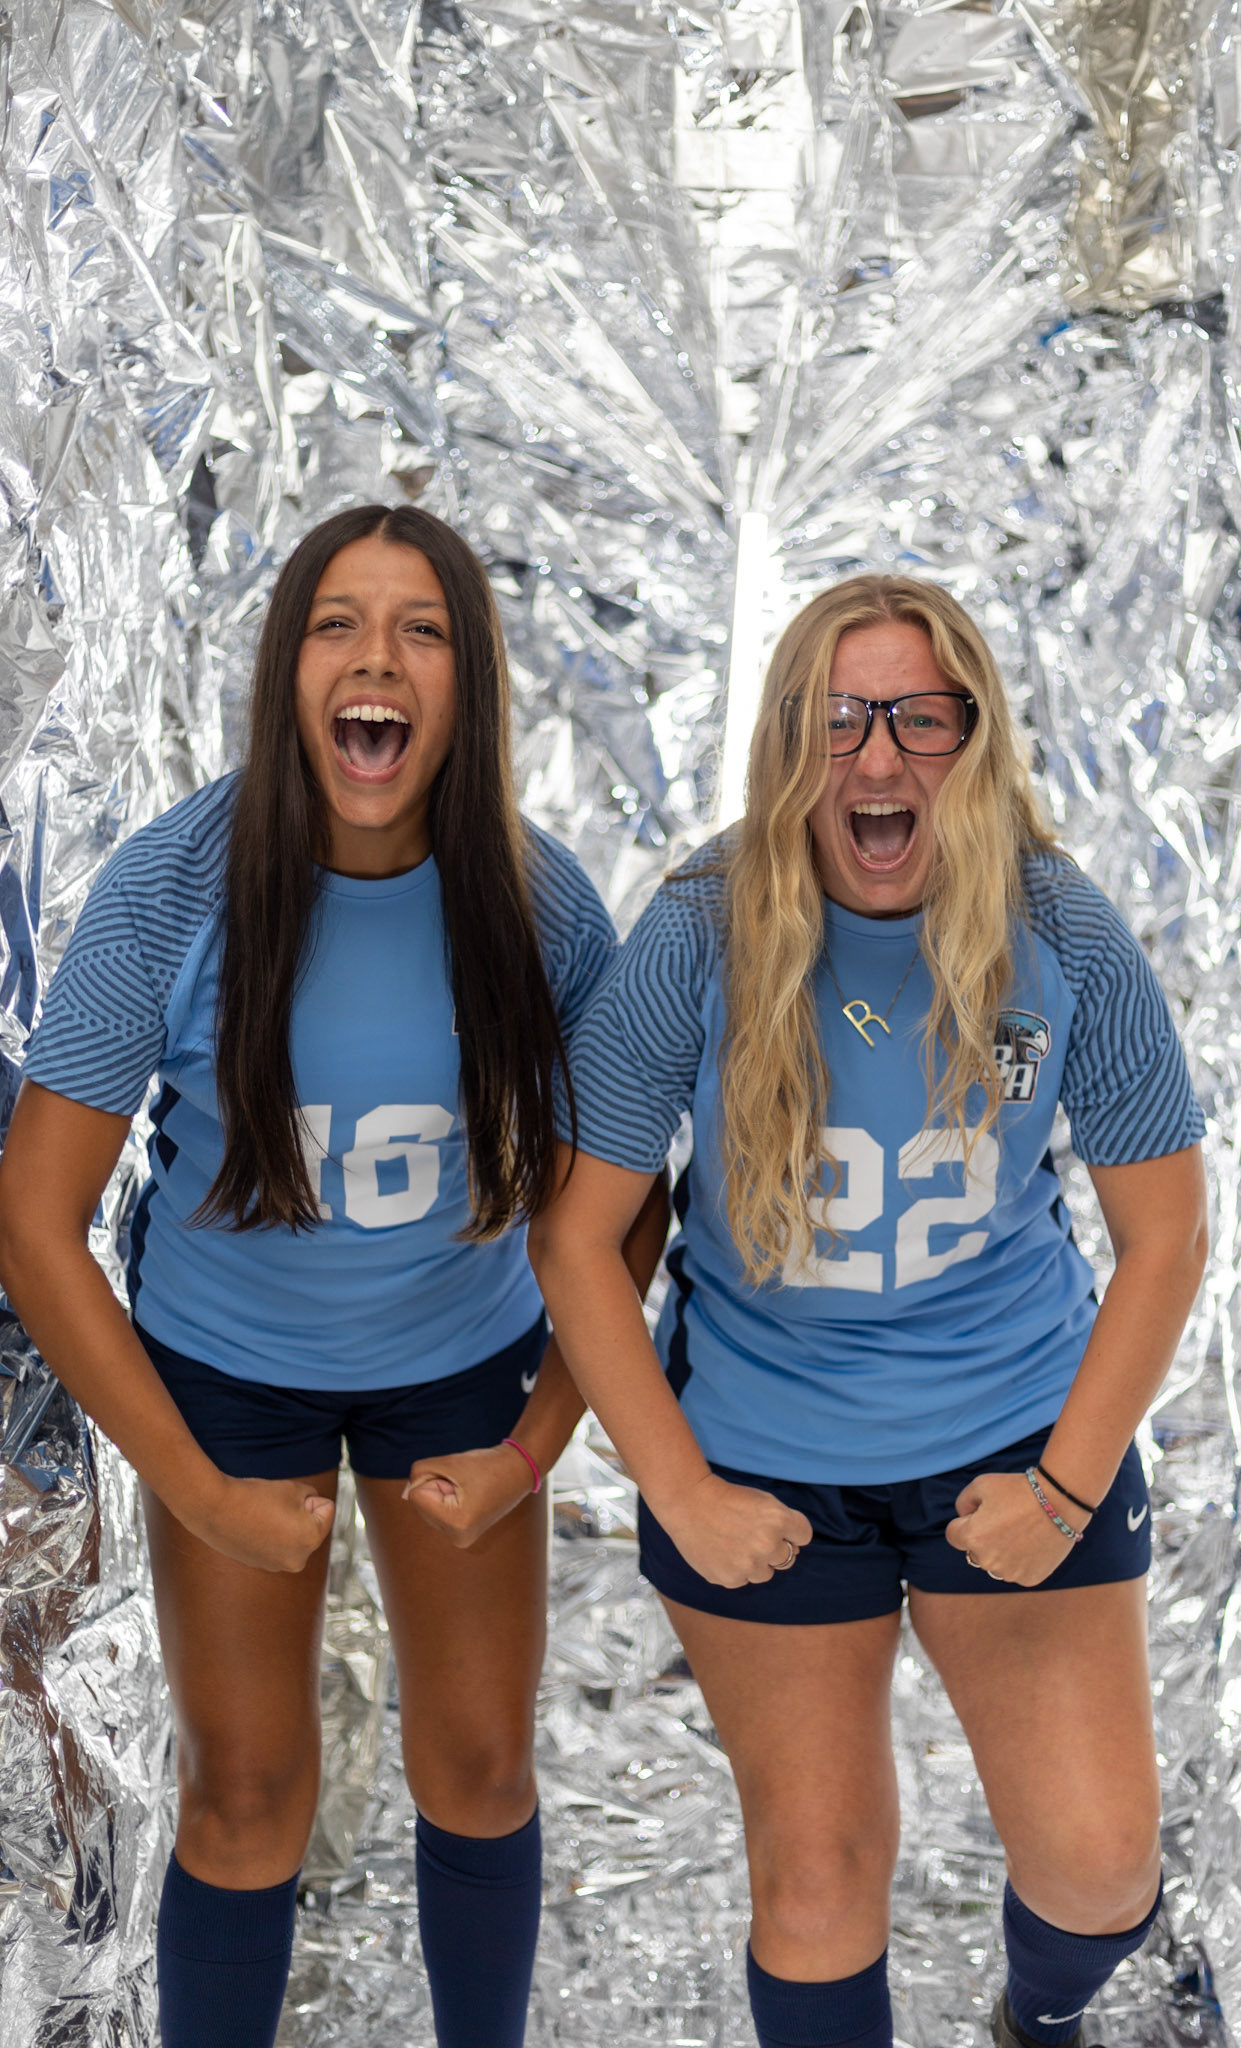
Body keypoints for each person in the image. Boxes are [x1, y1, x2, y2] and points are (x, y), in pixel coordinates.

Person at [0, 503, 666, 2048]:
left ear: (469, 680)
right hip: (229, 1379)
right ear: (286, 668)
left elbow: (630, 1202)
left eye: (422, 628)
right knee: (245, 1794)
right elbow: (37, 1221)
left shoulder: (538, 897)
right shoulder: (173, 889)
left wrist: (531, 1446)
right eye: (337, 623)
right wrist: (198, 1487)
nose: (378, 658)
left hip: (460, 1360)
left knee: (482, 1769)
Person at [528, 575, 1208, 2048]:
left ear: (973, 739)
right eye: (837, 721)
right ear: (786, 745)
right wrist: (682, 1489)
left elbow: (1163, 1236)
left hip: (1012, 1438)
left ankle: (1034, 2024)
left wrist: (1063, 1486)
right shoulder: (697, 932)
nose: (879, 758)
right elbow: (578, 1239)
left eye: (917, 718)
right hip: (764, 1456)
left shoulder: (1061, 935)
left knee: (1098, 1872)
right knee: (818, 1886)